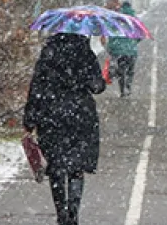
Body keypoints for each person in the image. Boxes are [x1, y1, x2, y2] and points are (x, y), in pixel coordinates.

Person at [23, 33, 106, 225]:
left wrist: (29, 120)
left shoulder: (48, 53)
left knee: (56, 166)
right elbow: (97, 87)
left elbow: (36, 88)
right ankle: (73, 213)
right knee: (76, 167)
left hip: (51, 115)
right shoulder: (86, 53)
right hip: (81, 115)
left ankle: (61, 213)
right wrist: (97, 79)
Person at [108, 1, 142, 97]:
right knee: (130, 70)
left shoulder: (117, 19)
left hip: (119, 50)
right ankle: (128, 86)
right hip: (131, 50)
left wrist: (111, 48)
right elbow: (140, 35)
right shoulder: (134, 19)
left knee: (121, 70)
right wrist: (134, 42)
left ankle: (122, 89)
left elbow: (112, 35)